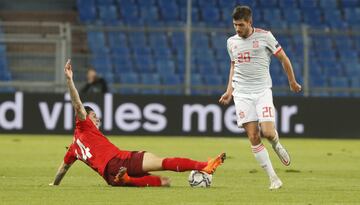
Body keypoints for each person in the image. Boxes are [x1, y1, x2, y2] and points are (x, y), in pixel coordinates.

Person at [50, 59, 226, 187]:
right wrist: (69, 80)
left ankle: (125, 180)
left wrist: (54, 185)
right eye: (94, 116)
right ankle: (204, 165)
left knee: (163, 182)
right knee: (163, 162)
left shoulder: (74, 148)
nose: (98, 119)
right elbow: (77, 104)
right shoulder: (83, 124)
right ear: (85, 117)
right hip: (120, 160)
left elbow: (63, 169)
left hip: (109, 176)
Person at [219, 6, 301, 190]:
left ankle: (277, 144)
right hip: (241, 94)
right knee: (253, 136)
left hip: (262, 91)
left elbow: (284, 58)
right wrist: (229, 90)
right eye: (235, 25)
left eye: (241, 25)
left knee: (268, 133)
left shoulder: (265, 37)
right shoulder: (231, 42)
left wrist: (292, 82)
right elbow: (234, 66)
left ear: (250, 22)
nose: (237, 29)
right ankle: (273, 178)